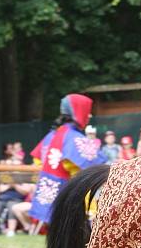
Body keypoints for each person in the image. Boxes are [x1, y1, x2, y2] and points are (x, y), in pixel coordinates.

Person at [29, 94, 107, 225]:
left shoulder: (51, 135)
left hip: (48, 195)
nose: (90, 115)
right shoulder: (75, 138)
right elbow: (96, 165)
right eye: (87, 111)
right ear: (79, 112)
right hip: (71, 198)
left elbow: (38, 161)